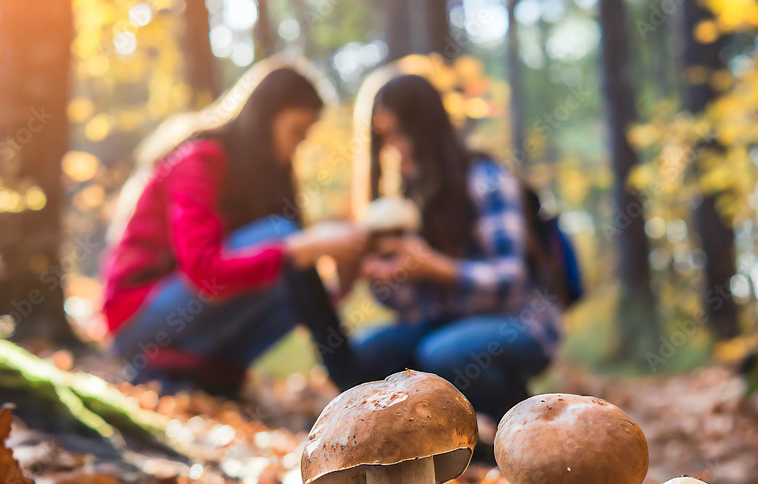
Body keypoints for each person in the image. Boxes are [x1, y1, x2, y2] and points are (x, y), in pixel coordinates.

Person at [102, 65, 366, 395]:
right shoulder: (198, 160)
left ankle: (194, 371)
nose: (297, 147)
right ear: (265, 117)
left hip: (186, 321)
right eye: (296, 131)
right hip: (137, 319)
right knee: (282, 237)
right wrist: (302, 248)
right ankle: (350, 381)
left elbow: (298, 293)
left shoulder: (257, 180)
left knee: (291, 276)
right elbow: (205, 273)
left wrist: (343, 279)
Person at [353, 74, 562, 422]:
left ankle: (523, 420)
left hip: (521, 321)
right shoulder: (405, 198)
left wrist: (436, 267)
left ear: (425, 129)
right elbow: (413, 308)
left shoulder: (485, 179)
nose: (394, 148)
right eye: (385, 138)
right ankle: (444, 444)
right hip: (445, 325)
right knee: (367, 352)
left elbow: (511, 281)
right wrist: (384, 277)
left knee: (442, 354)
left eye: (399, 134)